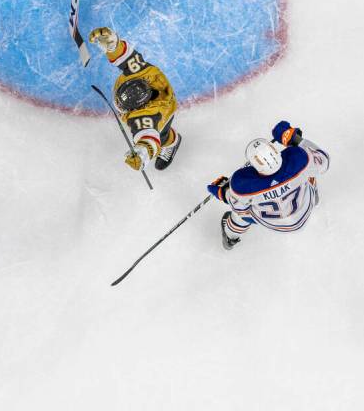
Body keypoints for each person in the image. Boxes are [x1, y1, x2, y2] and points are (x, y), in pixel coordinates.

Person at [208, 121, 330, 250]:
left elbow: (238, 206)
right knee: (309, 170)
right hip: (304, 207)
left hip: (274, 223)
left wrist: (225, 191)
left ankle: (230, 237)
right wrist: (295, 139)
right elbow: (323, 161)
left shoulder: (243, 186)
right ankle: (313, 198)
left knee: (239, 215)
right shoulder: (298, 160)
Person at [89, 26, 180, 172]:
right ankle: (170, 138)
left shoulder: (145, 116)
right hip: (163, 95)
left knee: (162, 136)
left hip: (163, 114)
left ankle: (172, 142)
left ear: (136, 108)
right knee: (160, 132)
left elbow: (149, 137)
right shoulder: (142, 74)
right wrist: (113, 45)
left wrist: (143, 153)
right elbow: (128, 59)